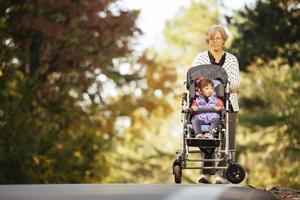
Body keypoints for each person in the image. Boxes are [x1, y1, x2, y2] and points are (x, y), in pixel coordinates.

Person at [192, 24, 240, 184]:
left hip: (228, 104)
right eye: (211, 38)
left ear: (224, 40)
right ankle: (206, 173)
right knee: (207, 136)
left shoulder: (232, 60)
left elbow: (236, 84)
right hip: (205, 106)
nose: (214, 41)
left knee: (225, 140)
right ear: (208, 40)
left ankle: (221, 174)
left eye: (218, 38)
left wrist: (219, 86)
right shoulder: (200, 58)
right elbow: (192, 80)